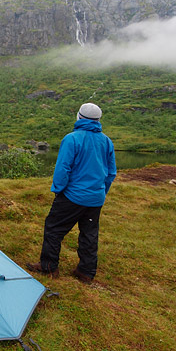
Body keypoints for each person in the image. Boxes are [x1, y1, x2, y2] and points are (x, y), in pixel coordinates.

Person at [27, 102, 116, 284]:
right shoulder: (106, 141)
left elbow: (63, 169)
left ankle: (49, 266)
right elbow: (111, 172)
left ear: (79, 117)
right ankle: (86, 273)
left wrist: (58, 190)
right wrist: (101, 192)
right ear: (98, 120)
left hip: (72, 196)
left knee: (53, 228)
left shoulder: (72, 139)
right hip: (95, 199)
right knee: (89, 234)